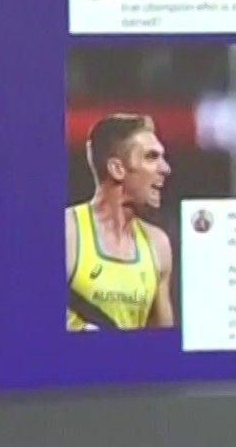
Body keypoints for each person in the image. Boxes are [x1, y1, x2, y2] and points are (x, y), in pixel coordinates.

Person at [65, 114, 175, 331]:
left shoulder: (157, 245)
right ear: (117, 169)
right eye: (151, 157)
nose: (166, 168)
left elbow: (163, 344)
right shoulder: (67, 232)